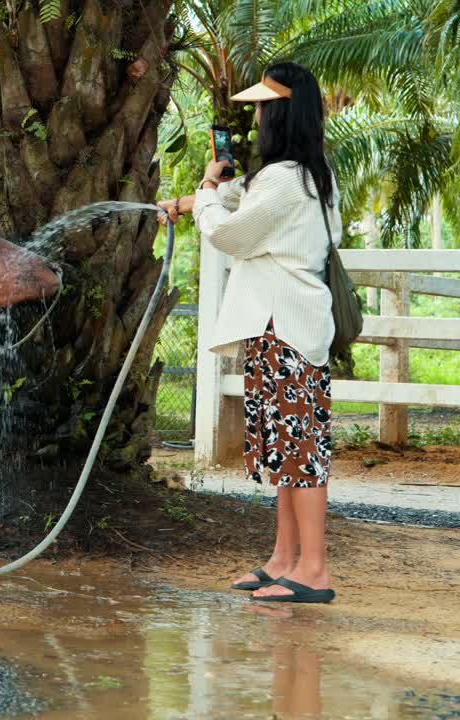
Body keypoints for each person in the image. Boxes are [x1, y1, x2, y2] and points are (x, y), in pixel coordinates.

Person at [157, 62, 338, 603]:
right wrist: (195, 201)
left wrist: (208, 187)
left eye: (261, 106)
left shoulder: (285, 180)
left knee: (301, 450)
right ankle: (285, 560)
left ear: (279, 112)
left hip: (286, 328)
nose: (255, 116)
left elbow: (231, 233)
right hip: (280, 327)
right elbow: (244, 206)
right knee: (286, 451)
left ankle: (315, 571)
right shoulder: (303, 174)